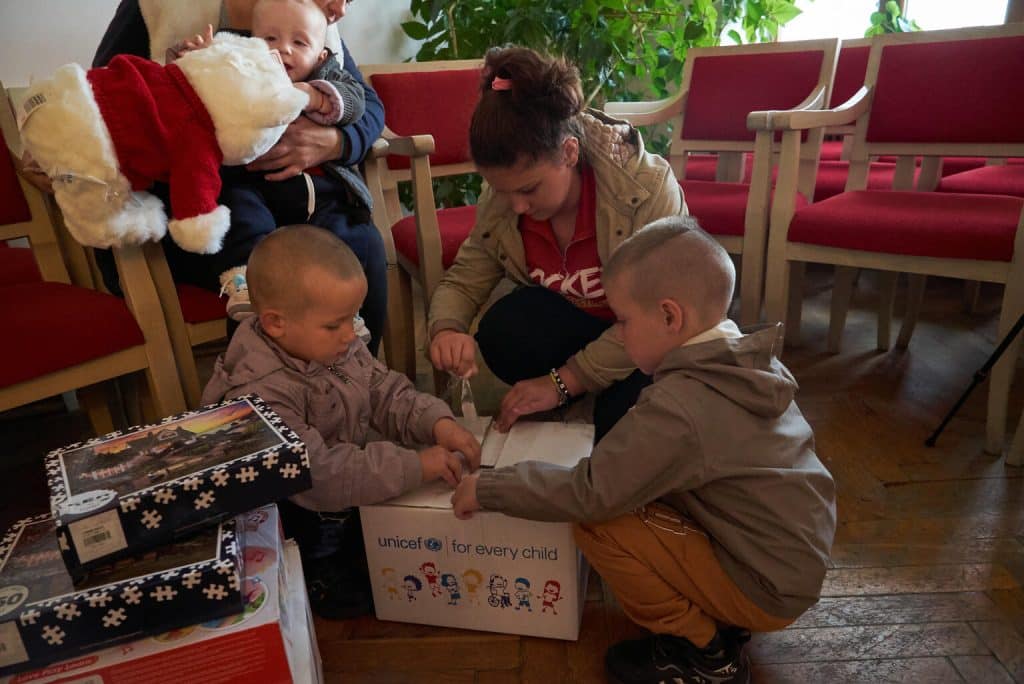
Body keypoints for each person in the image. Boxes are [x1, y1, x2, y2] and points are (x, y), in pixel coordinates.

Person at [451, 216, 836, 684]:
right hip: (785, 562)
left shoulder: (681, 406)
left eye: (623, 321)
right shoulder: (746, 360)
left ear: (671, 317)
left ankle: (705, 653)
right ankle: (722, 620)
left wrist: (489, 487)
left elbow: (592, 492)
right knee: (637, 491)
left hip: (764, 585)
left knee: (599, 524)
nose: (619, 333)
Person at [201, 225, 481, 618]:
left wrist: (436, 422)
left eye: (353, 317)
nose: (351, 334)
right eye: (335, 324)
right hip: (301, 523)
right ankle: (320, 584)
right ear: (276, 323)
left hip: (342, 498)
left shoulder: (328, 342)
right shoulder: (259, 393)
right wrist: (416, 465)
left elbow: (384, 391)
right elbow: (322, 474)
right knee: (366, 593)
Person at [89, 0, 389, 354]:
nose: (339, 6)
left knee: (359, 244)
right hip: (208, 205)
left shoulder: (307, 22)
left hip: (311, 199)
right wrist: (193, 68)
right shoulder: (170, 13)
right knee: (267, 261)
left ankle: (356, 375)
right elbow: (106, 94)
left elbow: (365, 104)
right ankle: (263, 388)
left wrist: (335, 141)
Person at [427, 46, 687, 442]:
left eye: (529, 189)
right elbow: (466, 277)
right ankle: (581, 395)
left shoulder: (646, 188)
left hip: (648, 341)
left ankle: (588, 395)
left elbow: (657, 318)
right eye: (503, 190)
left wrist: (564, 382)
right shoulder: (505, 199)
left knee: (625, 435)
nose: (517, 206)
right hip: (580, 328)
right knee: (505, 329)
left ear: (569, 152)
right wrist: (446, 328)